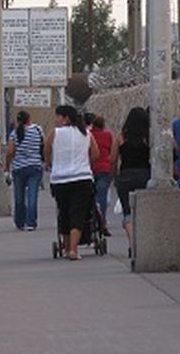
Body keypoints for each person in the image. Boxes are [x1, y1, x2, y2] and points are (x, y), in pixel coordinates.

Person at [45, 105, 100, 261]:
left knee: (64, 213)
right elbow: (96, 154)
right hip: (82, 178)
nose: (56, 120)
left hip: (60, 179)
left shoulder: (55, 134)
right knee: (78, 213)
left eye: (58, 117)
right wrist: (85, 163)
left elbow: (47, 150)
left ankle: (67, 246)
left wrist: (50, 164)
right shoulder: (86, 134)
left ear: (66, 118)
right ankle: (74, 250)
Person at [111, 107, 150, 250]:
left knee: (127, 210)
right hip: (146, 175)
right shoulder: (149, 137)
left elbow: (113, 159)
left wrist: (115, 177)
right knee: (145, 210)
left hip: (126, 175)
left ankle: (133, 242)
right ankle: (145, 241)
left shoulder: (121, 138)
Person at [4, 111, 44, 231]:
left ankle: (19, 222)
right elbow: (43, 145)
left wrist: (7, 167)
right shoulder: (38, 130)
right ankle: (31, 222)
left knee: (19, 196)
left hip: (19, 168)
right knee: (32, 195)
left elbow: (10, 152)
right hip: (35, 166)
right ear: (29, 118)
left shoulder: (14, 133)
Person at [89, 115, 114, 236]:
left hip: (90, 168)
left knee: (90, 196)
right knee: (102, 197)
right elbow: (110, 150)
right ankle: (102, 221)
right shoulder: (107, 135)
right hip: (104, 168)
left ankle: (91, 221)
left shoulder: (88, 135)